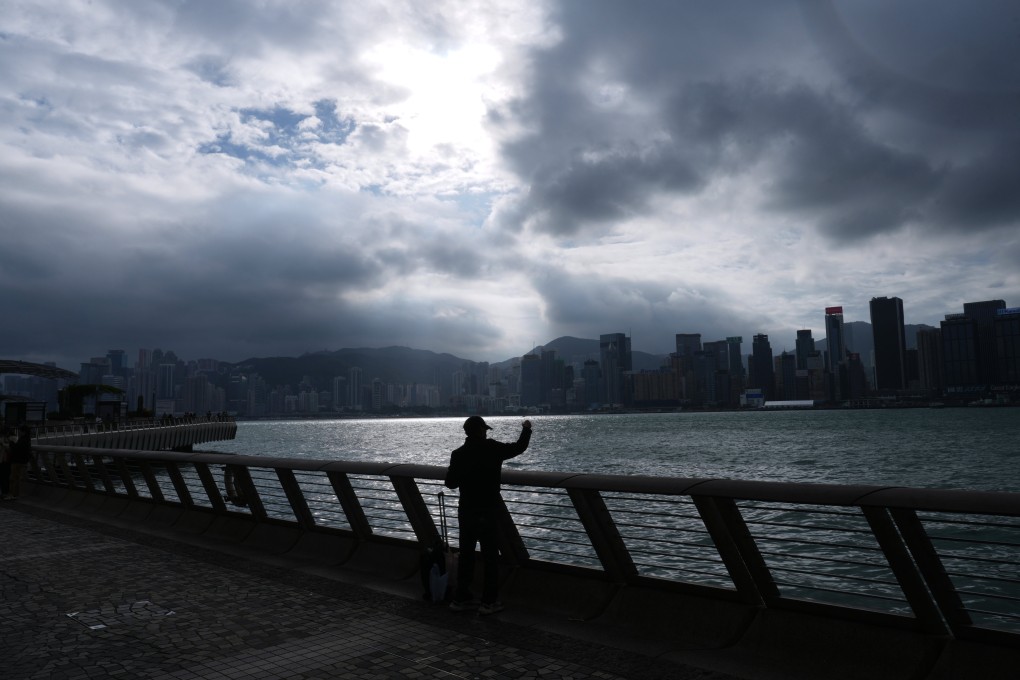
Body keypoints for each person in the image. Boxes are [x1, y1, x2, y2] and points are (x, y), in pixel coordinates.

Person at [444, 415, 532, 615]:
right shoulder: (492, 448)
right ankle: (489, 601)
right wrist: (526, 429)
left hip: (466, 510)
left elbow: (450, 483)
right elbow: (518, 448)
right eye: (484, 429)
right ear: (481, 431)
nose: (486, 432)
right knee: (490, 556)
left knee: (466, 555)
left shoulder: (458, 454)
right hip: (488, 509)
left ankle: (462, 597)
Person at [8, 425, 32, 501]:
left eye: (20, 431)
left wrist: (11, 443)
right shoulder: (27, 439)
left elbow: (16, 448)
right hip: (23, 461)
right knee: (18, 479)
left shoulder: (23, 440)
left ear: (23, 431)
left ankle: (13, 494)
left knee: (14, 478)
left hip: (17, 461)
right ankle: (15, 494)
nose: (19, 432)